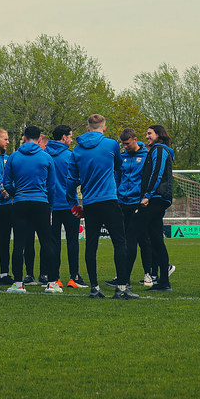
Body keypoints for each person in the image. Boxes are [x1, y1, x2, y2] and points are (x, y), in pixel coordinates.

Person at [73, 114, 135, 300]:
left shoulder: (77, 149)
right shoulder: (110, 144)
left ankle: (94, 288)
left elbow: (72, 178)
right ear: (104, 128)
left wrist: (76, 202)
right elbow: (119, 166)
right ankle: (122, 288)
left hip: (90, 203)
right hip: (109, 199)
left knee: (91, 245)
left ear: (87, 128)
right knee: (120, 242)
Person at [2, 126, 59, 294]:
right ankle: (52, 283)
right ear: (39, 140)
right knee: (46, 243)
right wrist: (51, 208)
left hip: (20, 202)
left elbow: (6, 183)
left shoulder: (13, 157)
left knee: (19, 243)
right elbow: (52, 186)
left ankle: (18, 284)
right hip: (41, 203)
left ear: (24, 138)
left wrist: (15, 193)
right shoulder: (46, 157)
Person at [0, 128, 36, 286]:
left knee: (5, 240)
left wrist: (10, 189)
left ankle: (4, 274)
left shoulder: (9, 158)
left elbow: (14, 178)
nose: (8, 142)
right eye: (5, 139)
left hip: (6, 204)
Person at [46, 124, 86, 288]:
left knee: (53, 242)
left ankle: (54, 278)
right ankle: (73, 276)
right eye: (70, 136)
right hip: (69, 205)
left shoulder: (44, 155)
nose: (71, 139)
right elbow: (77, 179)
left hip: (51, 206)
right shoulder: (70, 156)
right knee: (72, 242)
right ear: (64, 138)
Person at [137, 125, 175, 291]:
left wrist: (147, 195)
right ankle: (164, 280)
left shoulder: (159, 150)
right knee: (156, 239)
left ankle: (124, 279)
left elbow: (156, 174)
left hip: (156, 198)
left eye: (149, 133)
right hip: (156, 198)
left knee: (134, 230)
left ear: (159, 135)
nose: (146, 136)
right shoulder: (156, 150)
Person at [118, 128, 154, 286]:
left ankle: (148, 273)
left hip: (137, 203)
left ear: (134, 139)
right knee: (125, 241)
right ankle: (122, 275)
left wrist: (146, 197)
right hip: (122, 202)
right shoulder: (122, 157)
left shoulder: (146, 156)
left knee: (143, 239)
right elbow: (117, 177)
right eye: (123, 144)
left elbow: (148, 178)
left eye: (127, 143)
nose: (125, 146)